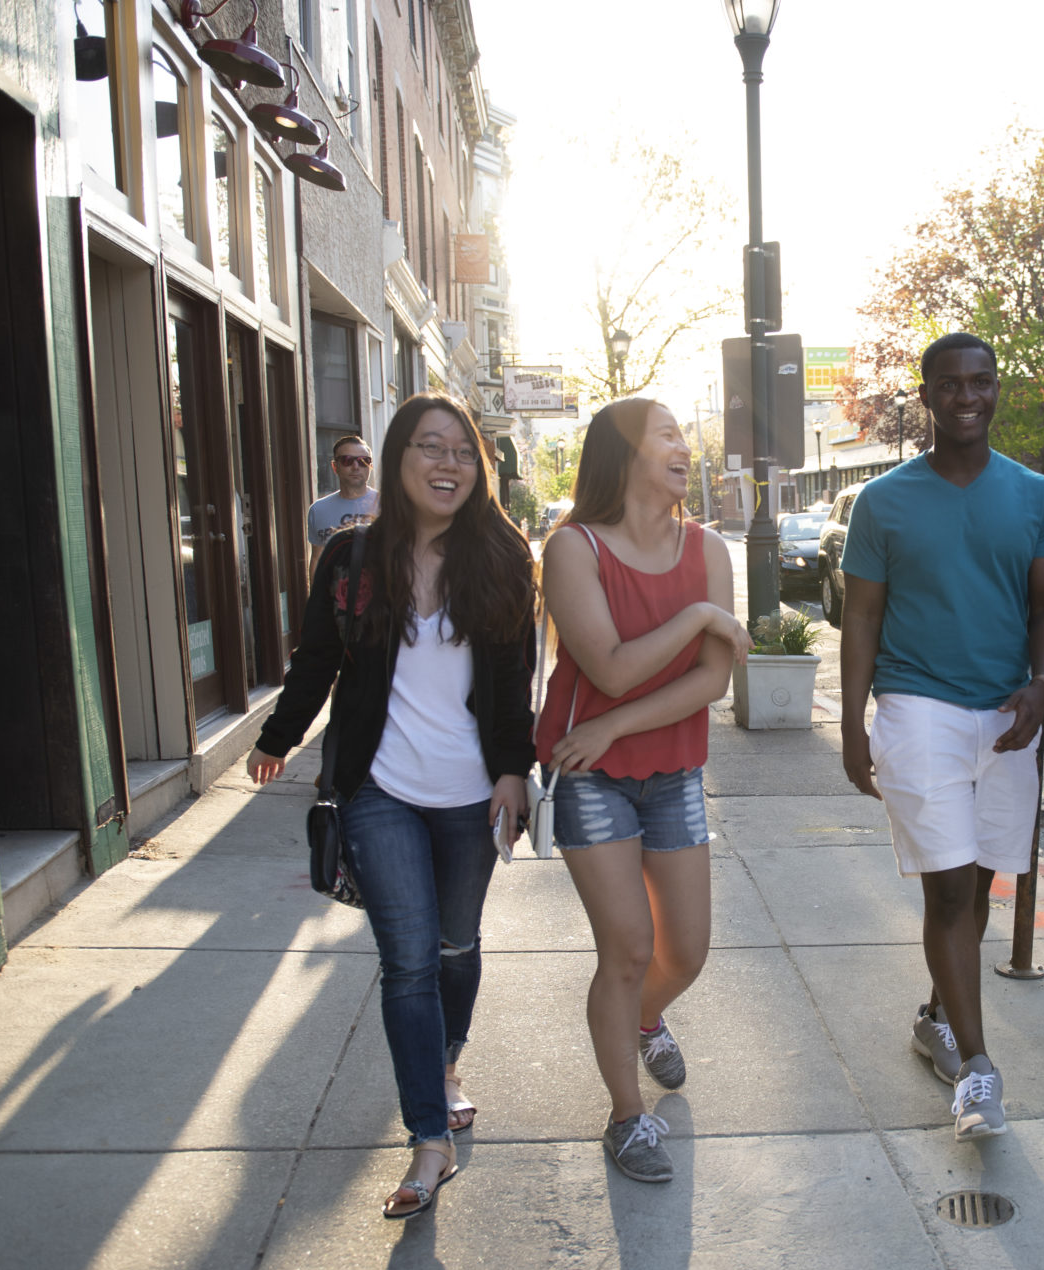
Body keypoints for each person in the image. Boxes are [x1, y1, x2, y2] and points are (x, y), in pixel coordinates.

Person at [247, 394, 535, 1219]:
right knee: (407, 961)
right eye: (428, 448)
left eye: (462, 451)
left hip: (472, 792)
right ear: (396, 460)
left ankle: (446, 1063)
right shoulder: (349, 559)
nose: (448, 463)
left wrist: (514, 771)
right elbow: (317, 661)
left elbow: (517, 677)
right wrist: (276, 735)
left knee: (455, 944)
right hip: (380, 790)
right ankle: (428, 1139)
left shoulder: (503, 555)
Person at [838, 333, 1044, 1143]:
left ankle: (937, 1017)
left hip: (1007, 716)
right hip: (918, 708)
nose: (968, 396)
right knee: (947, 890)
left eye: (982, 382)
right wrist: (850, 721)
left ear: (995, 389)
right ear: (927, 394)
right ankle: (978, 1067)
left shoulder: (1037, 496)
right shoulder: (882, 502)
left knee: (976, 890)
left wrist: (1042, 684)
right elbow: (862, 615)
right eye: (951, 384)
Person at [537, 398, 748, 1184]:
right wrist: (699, 614)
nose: (684, 447)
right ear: (625, 452)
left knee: (685, 951)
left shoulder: (709, 549)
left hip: (672, 770)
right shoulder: (574, 548)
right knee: (625, 949)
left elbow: (713, 679)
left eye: (682, 436)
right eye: (667, 434)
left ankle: (642, 1018)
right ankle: (627, 1117)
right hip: (591, 779)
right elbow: (613, 667)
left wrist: (617, 727)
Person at [307, 435, 380, 546]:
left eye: (363, 461)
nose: (356, 466)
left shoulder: (388, 505)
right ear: (335, 466)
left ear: (370, 466)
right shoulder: (318, 510)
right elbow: (317, 558)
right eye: (347, 460)